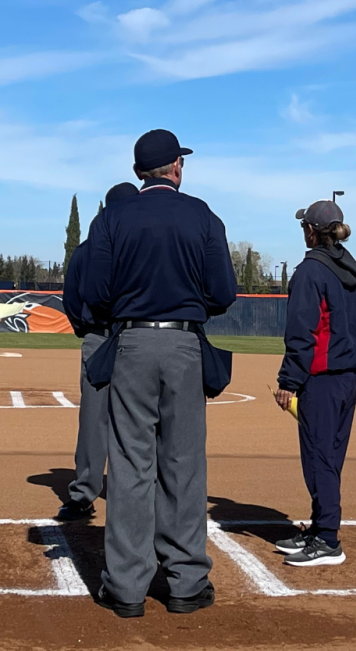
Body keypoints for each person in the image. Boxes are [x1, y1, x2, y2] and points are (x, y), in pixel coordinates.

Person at [83, 129, 238, 617]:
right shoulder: (201, 214)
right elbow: (223, 293)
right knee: (184, 463)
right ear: (176, 167)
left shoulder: (113, 217)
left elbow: (94, 290)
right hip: (185, 343)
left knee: (131, 463)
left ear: (137, 172)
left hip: (129, 341)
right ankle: (186, 582)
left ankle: (127, 587)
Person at [274, 199, 356, 567]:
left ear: (312, 231)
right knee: (329, 456)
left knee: (319, 458)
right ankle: (319, 527)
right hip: (347, 377)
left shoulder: (310, 271)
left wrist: (288, 381)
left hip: (321, 379)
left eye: (304, 227)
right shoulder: (352, 268)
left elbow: (302, 333)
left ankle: (327, 539)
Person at [58, 182, 139, 522]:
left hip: (99, 338)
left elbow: (72, 301)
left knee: (94, 419)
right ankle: (135, 493)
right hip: (136, 337)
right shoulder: (139, 248)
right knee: (141, 419)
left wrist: (86, 330)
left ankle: (82, 494)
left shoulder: (86, 249)